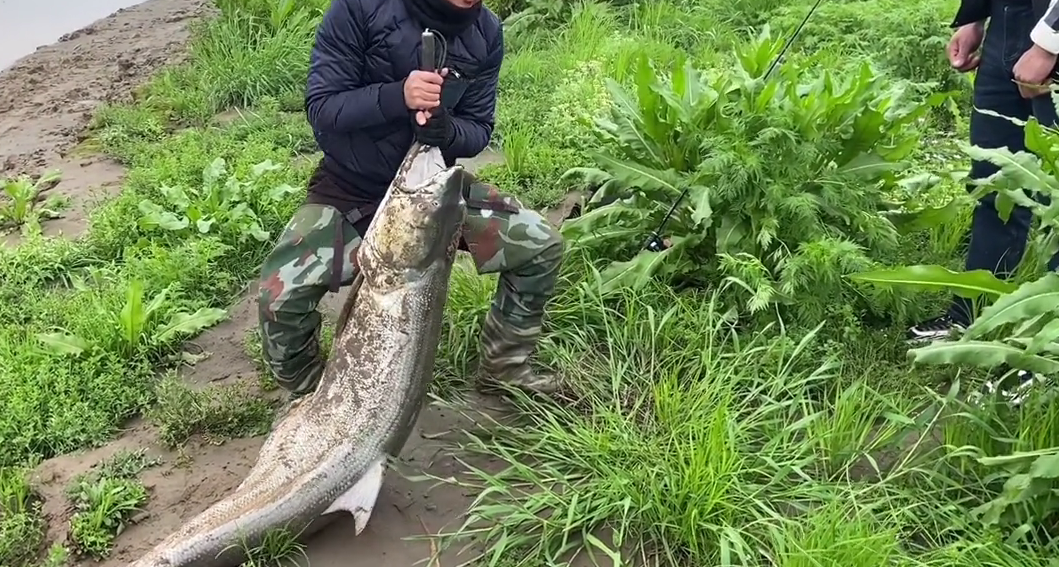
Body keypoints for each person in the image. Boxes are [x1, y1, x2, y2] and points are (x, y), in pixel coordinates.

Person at [256, 0, 565, 399]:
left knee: (540, 246)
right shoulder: (358, 7)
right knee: (279, 298)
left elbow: (479, 127)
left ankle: (504, 369)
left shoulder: (487, 31)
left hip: (433, 192)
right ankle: (313, 397)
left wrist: (447, 131)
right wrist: (397, 95)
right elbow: (323, 107)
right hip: (352, 189)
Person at [907, 0, 1059, 344]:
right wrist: (976, 15)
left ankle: (1051, 346)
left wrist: (1049, 43)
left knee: (1058, 195)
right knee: (996, 181)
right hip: (1007, 26)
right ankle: (972, 315)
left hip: (1050, 31)